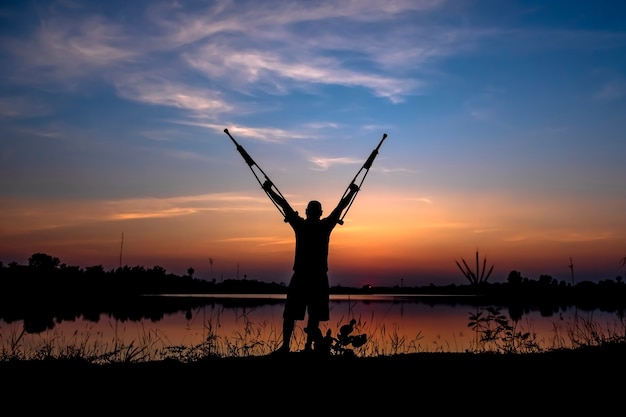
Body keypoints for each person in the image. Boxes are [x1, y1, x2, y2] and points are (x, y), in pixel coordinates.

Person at [262, 179, 360, 354]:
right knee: (312, 314)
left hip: (301, 275)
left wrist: (269, 190)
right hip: (318, 276)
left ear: (307, 212)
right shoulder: (324, 226)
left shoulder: (301, 225)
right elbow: (340, 207)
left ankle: (286, 347)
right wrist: (352, 191)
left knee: (291, 313)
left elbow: (284, 204)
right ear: (320, 213)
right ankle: (307, 346)